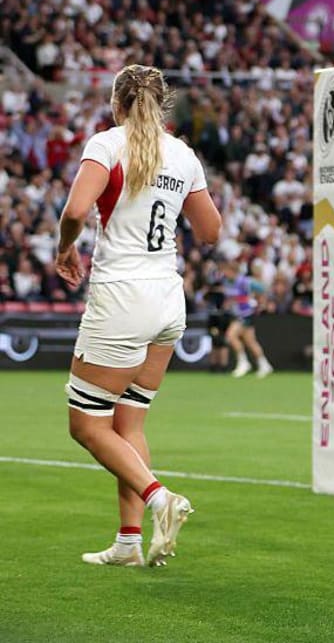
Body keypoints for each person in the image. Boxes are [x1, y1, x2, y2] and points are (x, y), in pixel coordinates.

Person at [55, 64, 221, 567]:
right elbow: (210, 231)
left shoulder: (108, 145)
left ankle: (159, 499)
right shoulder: (183, 154)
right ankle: (128, 542)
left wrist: (66, 249)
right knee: (128, 422)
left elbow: (75, 211)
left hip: (122, 297)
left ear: (116, 102)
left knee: (85, 425)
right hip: (167, 300)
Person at [222, 260, 274, 378]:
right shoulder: (226, 282)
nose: (225, 273)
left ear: (233, 271)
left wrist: (261, 303)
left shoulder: (245, 281)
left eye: (227, 271)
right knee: (250, 341)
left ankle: (243, 363)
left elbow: (263, 289)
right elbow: (231, 297)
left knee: (231, 335)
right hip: (236, 314)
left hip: (246, 314)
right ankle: (264, 364)